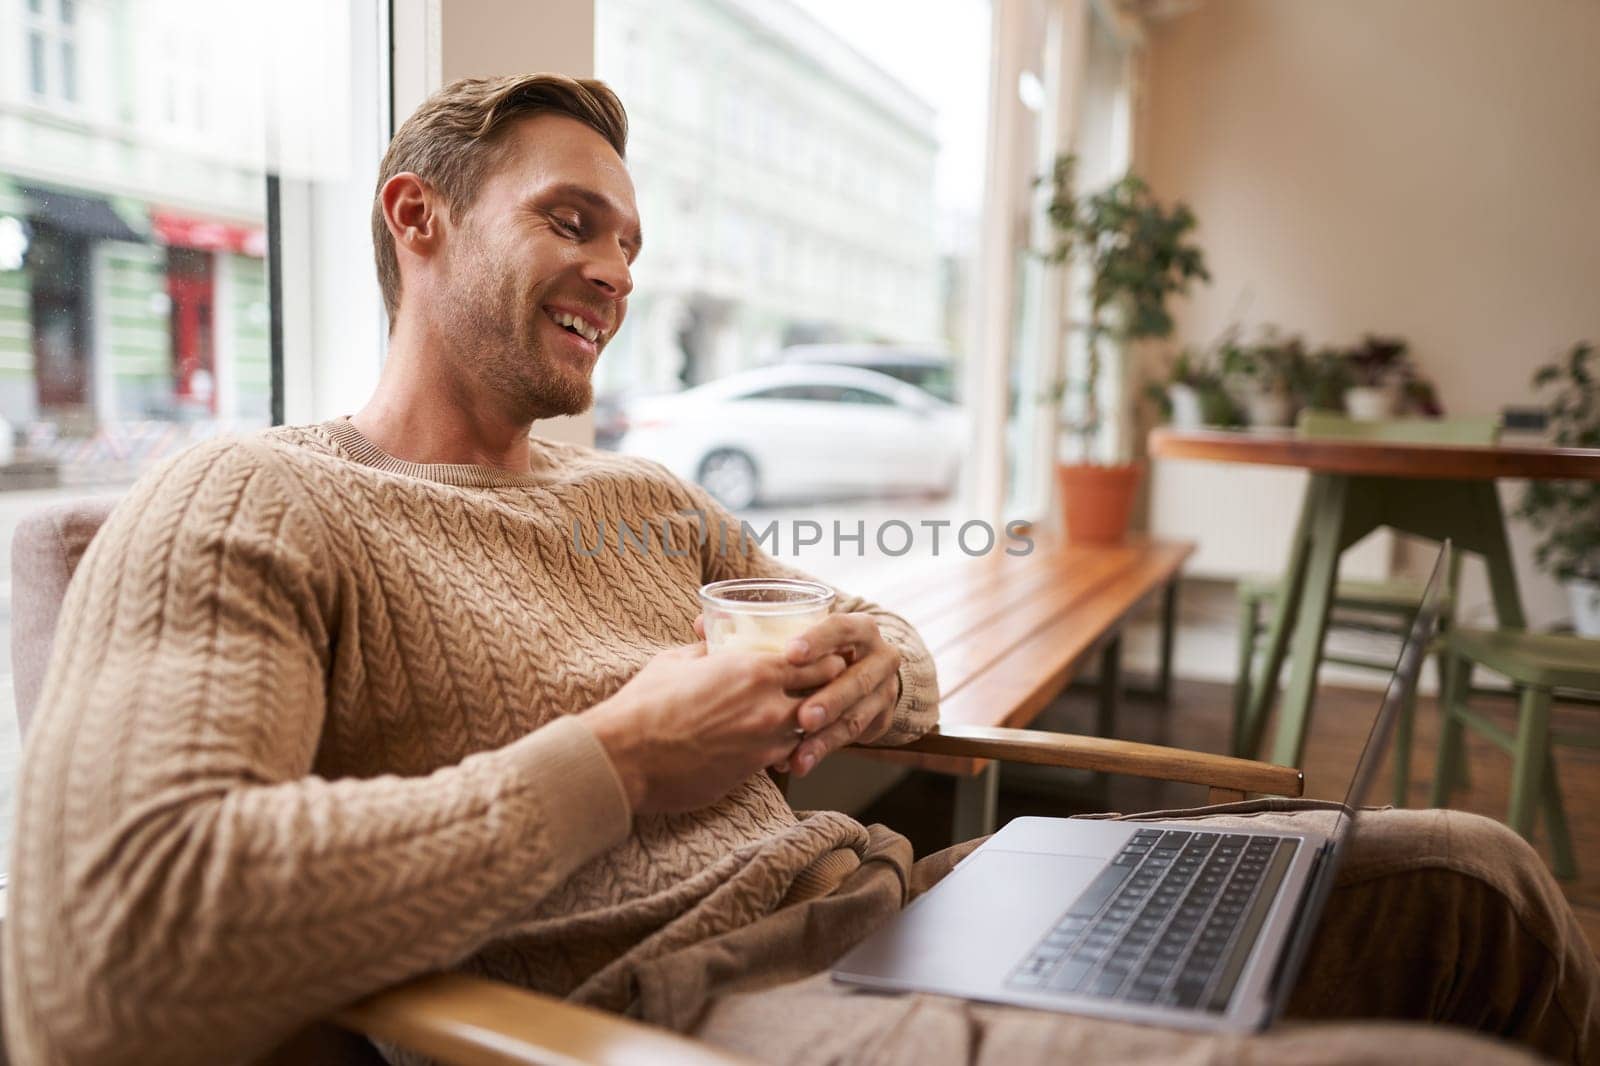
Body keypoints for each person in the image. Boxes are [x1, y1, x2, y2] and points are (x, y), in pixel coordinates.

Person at [1, 75, 1593, 1066]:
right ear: (417, 218)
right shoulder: (253, 499)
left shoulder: (635, 492)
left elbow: (863, 625)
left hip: (898, 909)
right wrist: (621, 760)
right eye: (573, 220)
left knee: (1484, 880)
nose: (618, 273)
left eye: (631, 240)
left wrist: (876, 666)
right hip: (681, 1014)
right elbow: (108, 947)